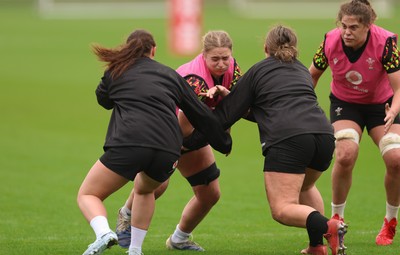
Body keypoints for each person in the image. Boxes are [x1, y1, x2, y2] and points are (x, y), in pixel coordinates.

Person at [185, 24, 348, 255]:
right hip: (323, 136)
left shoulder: (258, 70)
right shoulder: (301, 69)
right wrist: (233, 97)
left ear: (265, 48)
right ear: (294, 48)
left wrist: (188, 143)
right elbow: (268, 109)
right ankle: (316, 246)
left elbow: (224, 116)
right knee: (306, 185)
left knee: (282, 209)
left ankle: (329, 226)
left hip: (289, 140)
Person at [76, 29, 232, 255]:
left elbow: (104, 100)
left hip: (129, 144)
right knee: (145, 191)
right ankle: (135, 250)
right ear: (154, 50)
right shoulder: (170, 75)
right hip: (169, 149)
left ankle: (103, 233)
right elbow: (201, 114)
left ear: (127, 49)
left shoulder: (116, 72)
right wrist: (223, 142)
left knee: (89, 194)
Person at [115, 30, 242, 251]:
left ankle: (179, 239)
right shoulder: (194, 80)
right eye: (215, 59)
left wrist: (225, 124)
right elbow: (184, 129)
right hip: (166, 132)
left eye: (225, 58)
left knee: (209, 194)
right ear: (203, 55)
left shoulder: (233, 68)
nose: (222, 64)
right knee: (156, 186)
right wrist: (221, 138)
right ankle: (126, 214)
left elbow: (234, 105)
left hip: (193, 132)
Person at [309, 0, 400, 246]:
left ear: (368, 26)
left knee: (396, 158)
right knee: (345, 154)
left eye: (353, 28)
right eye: (343, 26)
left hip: (382, 105)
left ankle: (390, 221)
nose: (346, 32)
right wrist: (301, 108)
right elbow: (311, 77)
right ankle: (336, 219)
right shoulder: (330, 41)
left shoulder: (386, 43)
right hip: (345, 103)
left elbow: (398, 87)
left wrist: (394, 110)